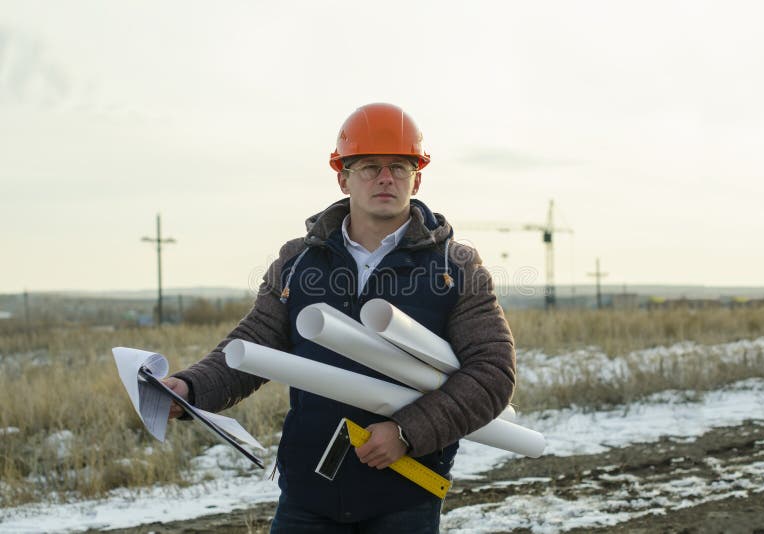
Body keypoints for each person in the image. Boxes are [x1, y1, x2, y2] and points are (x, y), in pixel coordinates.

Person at [163, 102, 515, 533]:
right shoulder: (298, 261)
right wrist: (190, 387)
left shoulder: (456, 266)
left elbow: (492, 373)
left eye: (399, 167)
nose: (385, 178)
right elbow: (255, 342)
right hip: (309, 492)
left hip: (405, 492)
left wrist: (407, 433)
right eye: (369, 166)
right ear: (342, 177)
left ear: (417, 178)